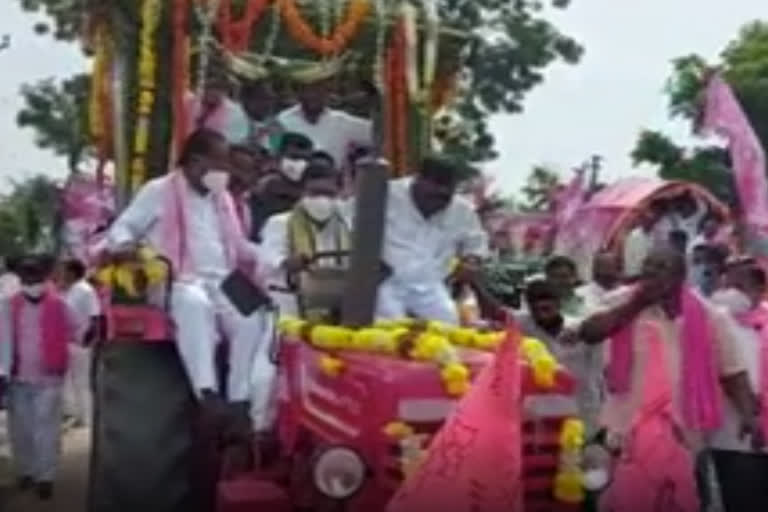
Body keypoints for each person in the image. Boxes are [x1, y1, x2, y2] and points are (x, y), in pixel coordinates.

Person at [103, 129, 273, 433]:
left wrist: (270, 258)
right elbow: (123, 229)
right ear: (196, 162)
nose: (227, 172)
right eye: (221, 164)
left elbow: (237, 246)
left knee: (253, 316)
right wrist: (125, 246)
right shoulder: (159, 190)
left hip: (224, 278)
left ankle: (239, 400)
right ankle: (206, 394)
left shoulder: (221, 199)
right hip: (178, 279)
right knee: (195, 306)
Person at [578, 245, 759, 512]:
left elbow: (731, 370)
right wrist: (635, 304)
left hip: (685, 435)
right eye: (648, 266)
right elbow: (590, 332)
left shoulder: (709, 316)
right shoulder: (620, 301)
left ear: (680, 275)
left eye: (661, 267)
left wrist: (748, 415)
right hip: (626, 434)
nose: (651, 272)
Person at [375, 156, 488, 324]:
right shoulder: (385, 194)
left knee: (448, 322)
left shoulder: (462, 211)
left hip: (430, 285)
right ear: (418, 179)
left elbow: (476, 244)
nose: (440, 195)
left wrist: (471, 262)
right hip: (385, 283)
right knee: (388, 326)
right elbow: (347, 222)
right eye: (435, 188)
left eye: (446, 192)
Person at [0, 255, 76, 501]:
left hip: (49, 377)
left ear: (44, 278)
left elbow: (78, 329)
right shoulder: (7, 305)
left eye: (36, 277)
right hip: (17, 376)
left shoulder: (60, 305)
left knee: (46, 427)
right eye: (27, 277)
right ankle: (26, 471)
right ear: (21, 279)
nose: (32, 282)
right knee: (20, 428)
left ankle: (46, 476)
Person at [259, 154, 350, 316]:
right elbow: (266, 264)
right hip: (289, 301)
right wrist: (287, 263)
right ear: (302, 192)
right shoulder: (280, 222)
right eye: (315, 193)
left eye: (329, 194)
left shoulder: (347, 226)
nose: (322, 200)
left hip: (339, 303)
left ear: (340, 194)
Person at [709, 263, 768, 512]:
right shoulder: (714, 322)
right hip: (733, 438)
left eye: (741, 287)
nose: (734, 294)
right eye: (729, 286)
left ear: (759, 289)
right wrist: (745, 404)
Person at [277, 74, 372, 170]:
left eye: (319, 90)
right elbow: (268, 152)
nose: (313, 95)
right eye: (308, 89)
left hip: (331, 181)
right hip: (293, 181)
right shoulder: (282, 120)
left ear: (327, 93)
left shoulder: (341, 121)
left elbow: (379, 135)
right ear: (299, 93)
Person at [249, 132, 315, 241]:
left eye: (305, 159)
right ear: (279, 157)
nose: (300, 163)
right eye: (294, 157)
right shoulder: (264, 189)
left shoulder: (313, 189)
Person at [59, 258, 100, 428]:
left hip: (80, 342)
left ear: (72, 272)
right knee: (67, 379)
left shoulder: (85, 290)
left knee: (81, 381)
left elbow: (95, 317)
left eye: (64, 270)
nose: (61, 274)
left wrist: (88, 341)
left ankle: (86, 417)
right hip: (67, 341)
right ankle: (73, 413)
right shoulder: (69, 290)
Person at [185, 72, 249, 143]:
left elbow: (233, 139)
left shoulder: (235, 113)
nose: (214, 92)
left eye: (220, 89)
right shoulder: (189, 100)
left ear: (227, 92)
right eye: (211, 87)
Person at [240, 80, 283, 154]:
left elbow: (276, 151)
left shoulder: (276, 125)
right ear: (246, 100)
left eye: (271, 98)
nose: (268, 104)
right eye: (262, 98)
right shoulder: (235, 123)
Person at [622, 209, 657, 279]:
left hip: (646, 271)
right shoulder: (634, 235)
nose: (650, 224)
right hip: (634, 272)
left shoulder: (652, 235)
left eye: (652, 222)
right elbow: (630, 256)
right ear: (643, 222)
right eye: (648, 221)